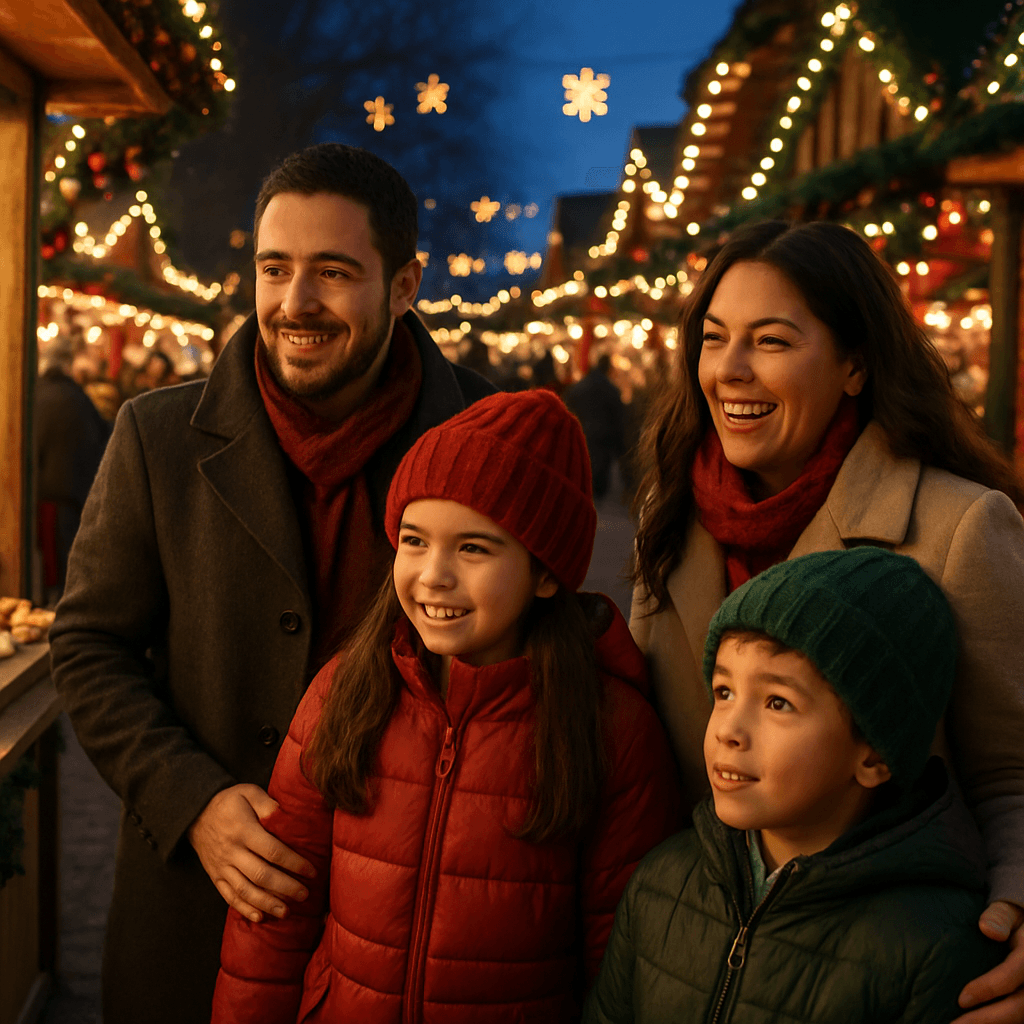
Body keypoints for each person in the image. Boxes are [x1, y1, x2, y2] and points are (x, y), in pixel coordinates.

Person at [49, 143, 494, 1024]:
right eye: (274, 268)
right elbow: (89, 646)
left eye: (332, 272)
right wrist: (193, 799)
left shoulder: (484, 436)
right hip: (195, 919)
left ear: (405, 284)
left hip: (414, 930)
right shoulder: (158, 435)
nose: (296, 303)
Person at [629, 219, 1024, 1021]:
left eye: (771, 341)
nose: (730, 370)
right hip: (697, 949)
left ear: (853, 364)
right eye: (714, 338)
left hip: (878, 968)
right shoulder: (668, 518)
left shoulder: (959, 527)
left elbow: (1013, 771)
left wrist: (1016, 917)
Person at [211, 389, 680, 1022]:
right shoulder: (345, 692)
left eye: (473, 548)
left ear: (546, 573)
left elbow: (619, 965)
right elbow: (273, 912)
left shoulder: (611, 731)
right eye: (414, 540)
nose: (434, 574)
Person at [586, 548, 1002, 1023]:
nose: (728, 729)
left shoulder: (938, 948)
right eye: (724, 692)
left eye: (778, 703)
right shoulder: (661, 883)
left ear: (874, 755)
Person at [34, 341, 110, 601]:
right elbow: (102, 440)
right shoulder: (77, 397)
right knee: (67, 569)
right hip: (71, 496)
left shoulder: (36, 393)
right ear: (68, 365)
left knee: (47, 568)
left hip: (43, 494)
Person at [565, 353, 626, 500]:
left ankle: (587, 490)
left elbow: (569, 402)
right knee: (600, 466)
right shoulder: (611, 389)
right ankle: (596, 493)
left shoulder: (581, 386)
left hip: (584, 430)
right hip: (603, 435)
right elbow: (618, 416)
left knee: (587, 462)